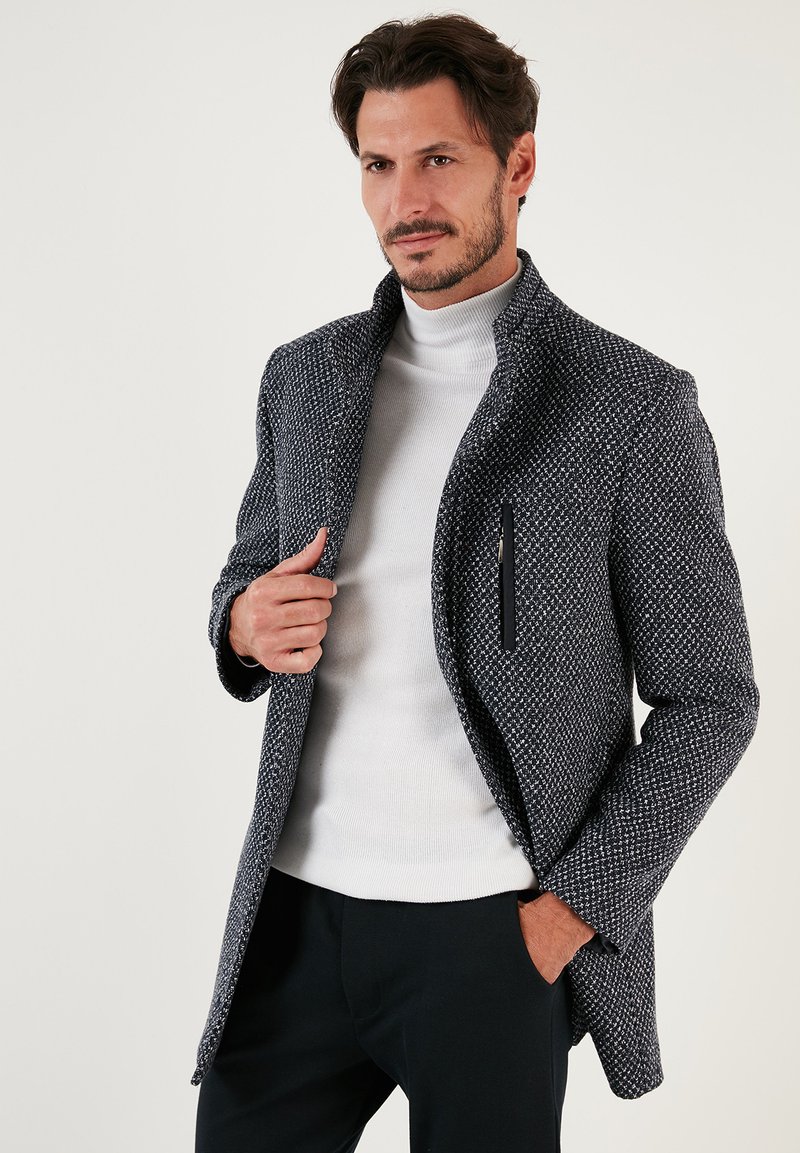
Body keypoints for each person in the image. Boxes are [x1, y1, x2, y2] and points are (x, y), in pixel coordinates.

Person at [192, 14, 760, 1152]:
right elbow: (248, 579)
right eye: (377, 164)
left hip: (492, 938)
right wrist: (242, 624)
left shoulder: (627, 405)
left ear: (520, 163)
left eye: (438, 159)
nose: (404, 199)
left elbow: (711, 698)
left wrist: (572, 912)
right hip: (296, 915)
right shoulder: (305, 377)